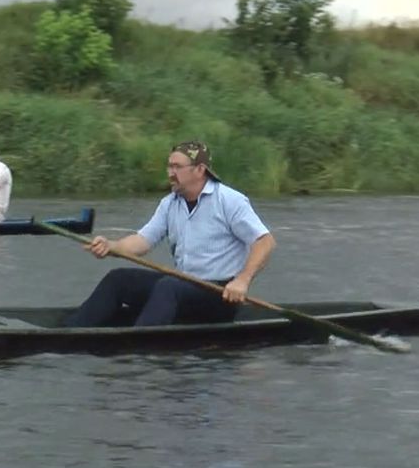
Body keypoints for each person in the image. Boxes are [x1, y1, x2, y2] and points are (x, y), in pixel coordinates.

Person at [63, 140, 276, 328]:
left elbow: (265, 242)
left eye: (177, 167)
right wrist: (111, 246)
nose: (170, 173)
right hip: (183, 286)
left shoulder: (229, 200)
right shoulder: (169, 204)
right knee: (118, 279)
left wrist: (242, 281)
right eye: (169, 166)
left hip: (220, 295)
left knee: (169, 287)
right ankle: (72, 332)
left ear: (200, 170)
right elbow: (142, 241)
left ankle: (138, 344)